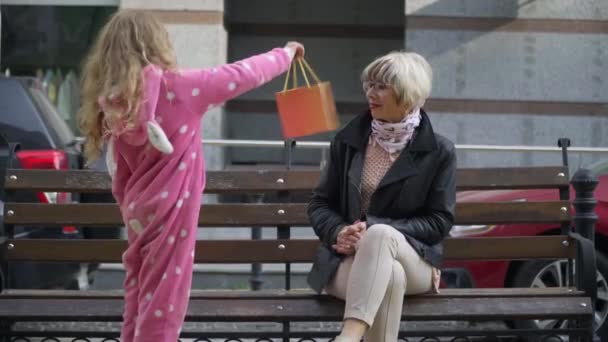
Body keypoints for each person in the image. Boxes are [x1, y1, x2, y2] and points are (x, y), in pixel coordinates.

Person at [78, 10, 304, 342]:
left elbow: (121, 175)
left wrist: (130, 209)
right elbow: (243, 74)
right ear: (156, 44)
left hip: (138, 213)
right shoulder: (183, 88)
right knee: (164, 304)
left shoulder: (113, 104)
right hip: (173, 212)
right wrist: (285, 54)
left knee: (139, 295)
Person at [307, 51, 456, 342]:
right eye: (369, 85)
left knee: (380, 235)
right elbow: (320, 204)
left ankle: (347, 337)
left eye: (381, 86)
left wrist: (375, 229)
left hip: (416, 259)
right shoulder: (348, 142)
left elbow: (440, 221)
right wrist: (339, 231)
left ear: (408, 94)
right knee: (390, 277)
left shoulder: (439, 151)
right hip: (346, 263)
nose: (370, 93)